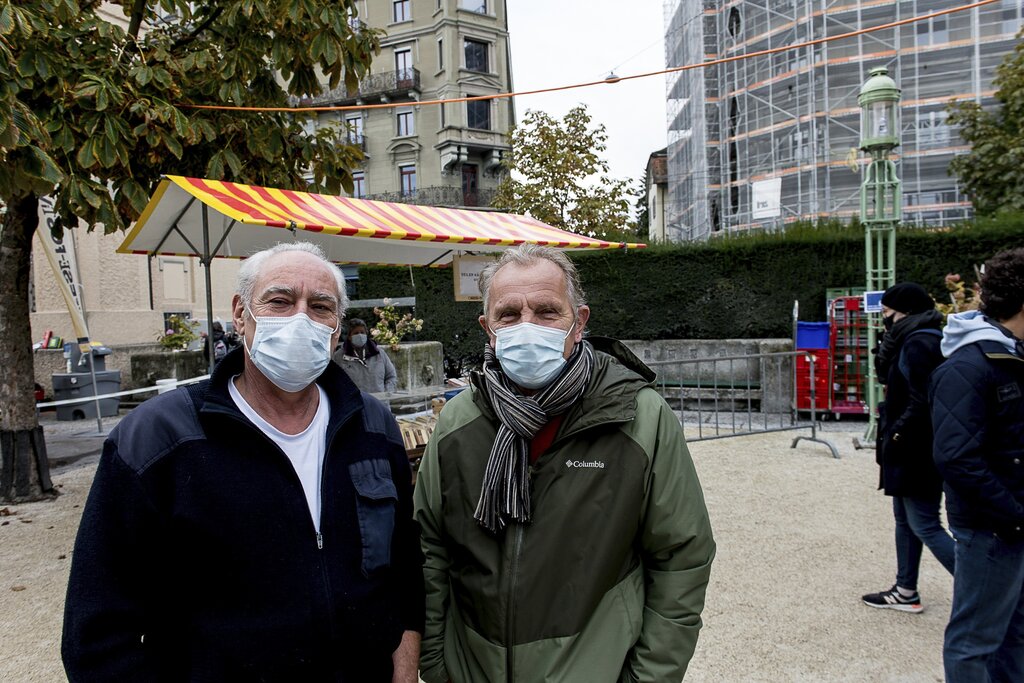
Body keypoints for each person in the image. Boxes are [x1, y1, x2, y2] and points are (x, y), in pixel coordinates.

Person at [62, 242, 423, 682]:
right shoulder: (157, 438)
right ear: (240, 314)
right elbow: (97, 631)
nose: (299, 319)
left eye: (321, 307)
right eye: (280, 300)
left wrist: (404, 670)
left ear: (336, 328)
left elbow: (403, 570)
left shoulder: (373, 426)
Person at [413, 244, 716, 683]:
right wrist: (439, 664)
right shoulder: (458, 422)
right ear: (488, 329)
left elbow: (682, 557)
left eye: (547, 311)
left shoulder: (639, 418)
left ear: (579, 323)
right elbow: (429, 548)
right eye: (509, 314)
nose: (527, 326)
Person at [931, 247, 1024, 682]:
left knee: (1011, 633)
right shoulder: (971, 365)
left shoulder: (1007, 356)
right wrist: (1014, 514)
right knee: (975, 642)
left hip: (1006, 521)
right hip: (993, 526)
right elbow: (956, 456)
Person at [862, 283, 955, 613]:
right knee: (905, 518)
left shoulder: (919, 343)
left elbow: (921, 400)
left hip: (915, 447)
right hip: (909, 444)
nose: (884, 321)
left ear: (906, 313)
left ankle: (989, 589)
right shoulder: (916, 339)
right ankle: (905, 589)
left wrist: (898, 432)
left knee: (925, 523)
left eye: (888, 314)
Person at [334, 318, 398, 394]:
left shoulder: (379, 353)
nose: (360, 335)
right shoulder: (339, 357)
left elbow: (391, 376)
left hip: (380, 403)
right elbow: (334, 382)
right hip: (355, 404)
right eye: (356, 333)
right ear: (349, 337)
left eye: (362, 332)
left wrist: (387, 393)